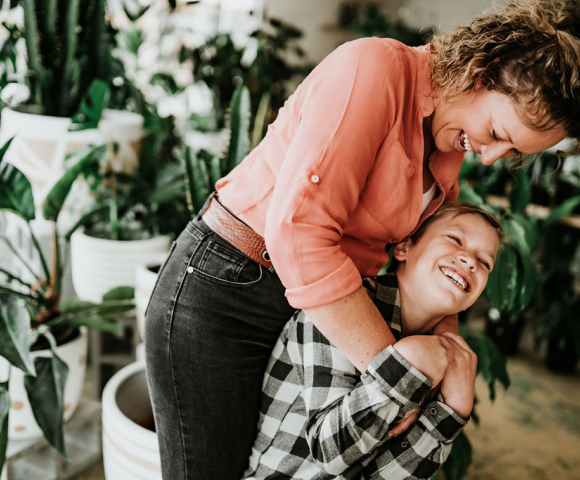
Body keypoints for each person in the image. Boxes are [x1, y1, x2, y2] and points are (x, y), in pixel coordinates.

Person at [144, 1, 579, 478]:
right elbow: (300, 234)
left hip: (314, 315)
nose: (492, 157)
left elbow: (411, 258)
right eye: (497, 132)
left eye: (513, 151)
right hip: (227, 294)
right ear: (484, 69)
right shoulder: (376, 69)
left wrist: (448, 349)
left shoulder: (446, 143)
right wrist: (394, 375)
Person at [243, 202, 502, 479]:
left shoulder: (446, 356)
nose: (470, 260)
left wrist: (453, 411)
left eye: (485, 262)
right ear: (404, 247)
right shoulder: (339, 308)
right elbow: (329, 453)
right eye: (455, 239)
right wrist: (406, 366)